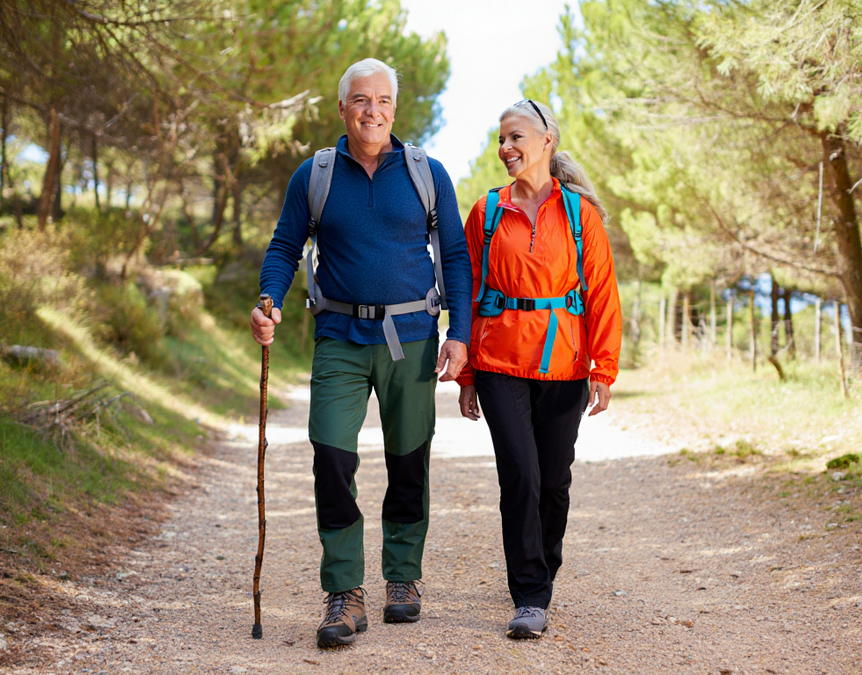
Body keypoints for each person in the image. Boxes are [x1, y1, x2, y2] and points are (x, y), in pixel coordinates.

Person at [250, 58, 471, 649]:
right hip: (339, 338)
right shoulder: (315, 175)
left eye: (382, 101)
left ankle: (403, 579)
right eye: (360, 100)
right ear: (342, 107)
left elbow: (453, 254)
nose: (372, 111)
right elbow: (284, 245)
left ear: (394, 110)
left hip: (414, 338)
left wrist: (460, 332)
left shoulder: (427, 173)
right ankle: (344, 591)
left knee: (408, 458)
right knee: (330, 454)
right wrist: (268, 299)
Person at [457, 99, 621, 639]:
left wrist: (604, 365)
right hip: (501, 363)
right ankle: (529, 593)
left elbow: (601, 293)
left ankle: (543, 565)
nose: (506, 148)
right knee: (520, 476)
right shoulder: (485, 212)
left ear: (547, 141)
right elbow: (468, 293)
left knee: (554, 482)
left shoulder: (580, 214)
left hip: (566, 366)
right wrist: (467, 375)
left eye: (516, 137)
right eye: (500, 139)